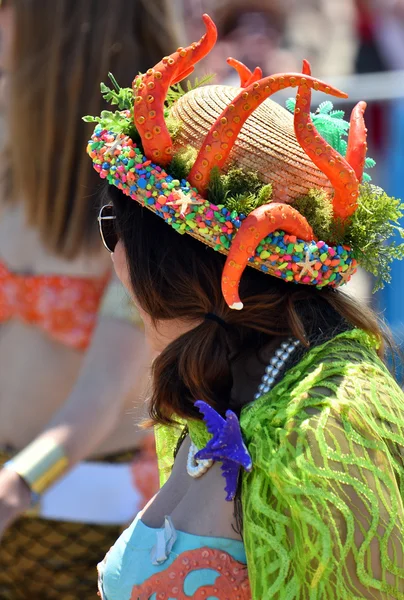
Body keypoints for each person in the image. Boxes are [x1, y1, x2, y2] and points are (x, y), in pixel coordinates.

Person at [88, 14, 404, 600]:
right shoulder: (214, 383)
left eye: (111, 226)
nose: (108, 255)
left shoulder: (328, 421)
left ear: (172, 259)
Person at [0, 0, 179, 597]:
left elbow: (100, 399)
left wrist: (19, 484)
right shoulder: (8, 150)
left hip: (91, 524)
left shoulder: (144, 191)